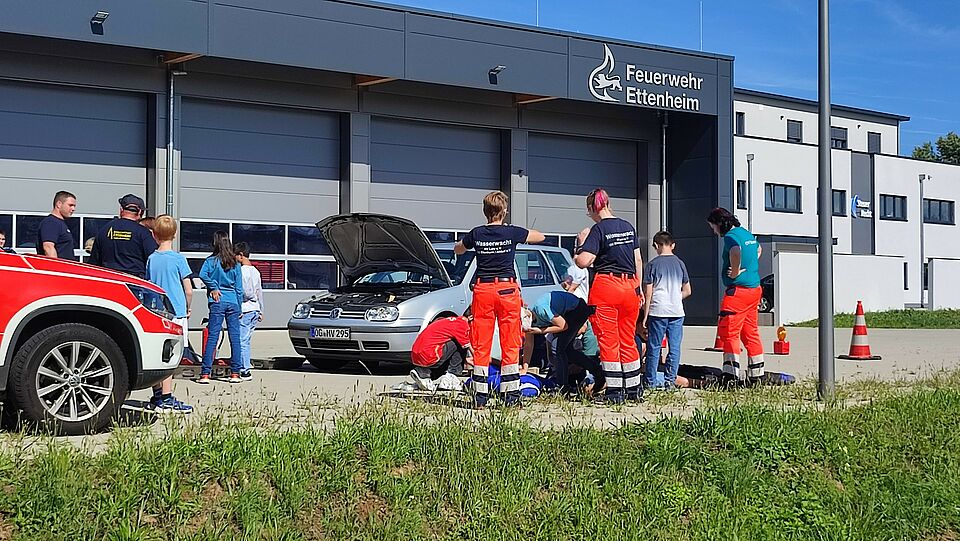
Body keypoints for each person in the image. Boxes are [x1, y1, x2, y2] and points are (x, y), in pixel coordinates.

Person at [454, 190, 544, 408]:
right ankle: (510, 395)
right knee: (510, 341)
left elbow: (458, 249)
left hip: (483, 290)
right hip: (506, 290)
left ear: (485, 212)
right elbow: (540, 236)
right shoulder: (511, 232)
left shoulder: (476, 234)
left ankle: (480, 397)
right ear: (504, 211)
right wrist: (515, 233)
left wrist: (464, 244)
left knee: (482, 342)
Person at [574, 188, 644, 404]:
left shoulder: (598, 230)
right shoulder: (627, 226)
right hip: (630, 286)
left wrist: (578, 249)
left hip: (607, 287)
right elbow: (638, 260)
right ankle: (634, 389)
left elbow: (584, 261)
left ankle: (614, 392)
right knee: (628, 339)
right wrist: (638, 289)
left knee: (609, 341)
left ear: (592, 208)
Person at [707, 207, 765, 384]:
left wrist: (735, 272)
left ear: (719, 224)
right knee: (751, 333)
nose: (713, 230)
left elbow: (735, 251)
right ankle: (757, 375)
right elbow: (759, 249)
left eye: (713, 227)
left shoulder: (731, 237)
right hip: (754, 289)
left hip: (737, 292)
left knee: (730, 333)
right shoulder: (746, 233)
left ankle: (730, 376)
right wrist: (749, 265)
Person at [145, 215, 194, 413]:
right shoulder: (178, 259)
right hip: (176, 311)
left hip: (157, 310)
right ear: (174, 235)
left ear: (154, 235)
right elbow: (188, 289)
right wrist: (188, 306)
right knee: (171, 356)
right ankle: (166, 397)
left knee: (158, 353)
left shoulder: (151, 258)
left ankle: (157, 395)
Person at [641, 231, 692, 390]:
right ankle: (670, 381)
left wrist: (645, 313)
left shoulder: (652, 265)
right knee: (674, 347)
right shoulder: (680, 264)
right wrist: (675, 297)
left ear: (656, 245)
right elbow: (688, 290)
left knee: (654, 347)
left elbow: (648, 292)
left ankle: (650, 381)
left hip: (658, 310)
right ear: (673, 245)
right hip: (677, 311)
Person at [526, 290, 603, 395]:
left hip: (577, 309)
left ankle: (562, 387)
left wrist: (540, 331)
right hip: (568, 313)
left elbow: (563, 326)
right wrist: (525, 367)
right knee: (567, 351)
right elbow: (528, 345)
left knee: (558, 348)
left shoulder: (541, 310)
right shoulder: (529, 321)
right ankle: (597, 372)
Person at [198, 231, 244, 385]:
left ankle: (205, 373)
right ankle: (235, 373)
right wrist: (239, 306)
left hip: (217, 301)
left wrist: (213, 287)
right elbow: (239, 288)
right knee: (235, 338)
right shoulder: (235, 263)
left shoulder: (210, 261)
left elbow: (202, 275)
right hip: (233, 302)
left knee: (213, 337)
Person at [88, 194, 158, 278]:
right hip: (135, 283)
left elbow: (94, 263)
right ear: (140, 212)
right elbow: (154, 260)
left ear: (121, 209)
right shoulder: (143, 233)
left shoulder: (104, 230)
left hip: (110, 280)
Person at [408, 311, 472, 392]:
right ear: (471, 317)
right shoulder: (462, 325)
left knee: (450, 354)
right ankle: (451, 376)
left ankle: (426, 374)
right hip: (429, 355)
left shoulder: (451, 321)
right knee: (460, 344)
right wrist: (480, 362)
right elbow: (467, 345)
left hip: (416, 355)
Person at [234, 242, 263, 382]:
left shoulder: (242, 271)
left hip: (245, 309)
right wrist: (261, 309)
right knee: (246, 339)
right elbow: (260, 292)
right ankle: (244, 364)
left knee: (242, 340)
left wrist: (239, 306)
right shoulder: (255, 271)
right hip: (255, 309)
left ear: (240, 255)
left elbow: (245, 291)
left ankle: (244, 370)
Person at [37, 191, 78, 260]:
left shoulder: (60, 223)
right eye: (70, 205)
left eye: (74, 206)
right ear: (59, 204)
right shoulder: (51, 222)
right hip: (58, 269)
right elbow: (48, 247)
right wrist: (56, 268)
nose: (73, 209)